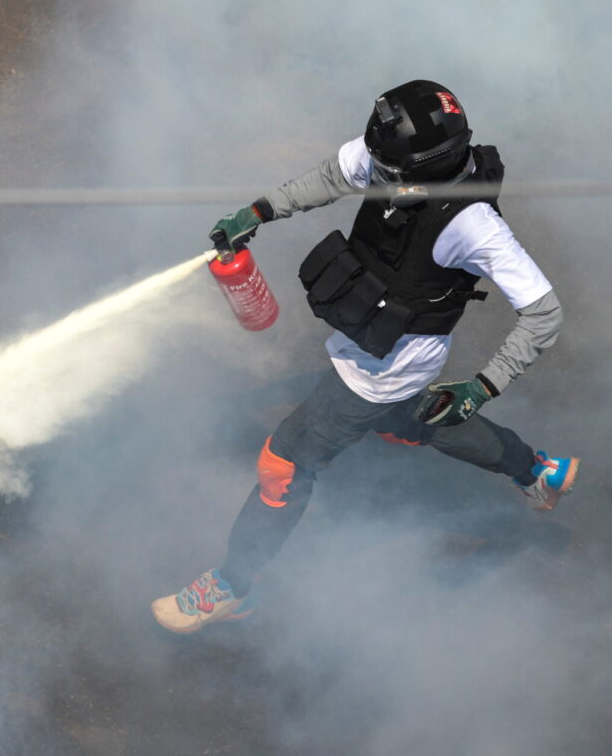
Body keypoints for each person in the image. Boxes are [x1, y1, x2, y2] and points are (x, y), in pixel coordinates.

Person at [152, 79, 580, 635]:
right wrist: (260, 211)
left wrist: (483, 385)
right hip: (383, 355)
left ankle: (233, 586)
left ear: (425, 169)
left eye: (387, 172)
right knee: (415, 421)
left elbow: (544, 312)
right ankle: (538, 471)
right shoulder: (392, 157)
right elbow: (335, 175)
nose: (374, 172)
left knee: (282, 467)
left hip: (381, 369)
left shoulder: (474, 226)